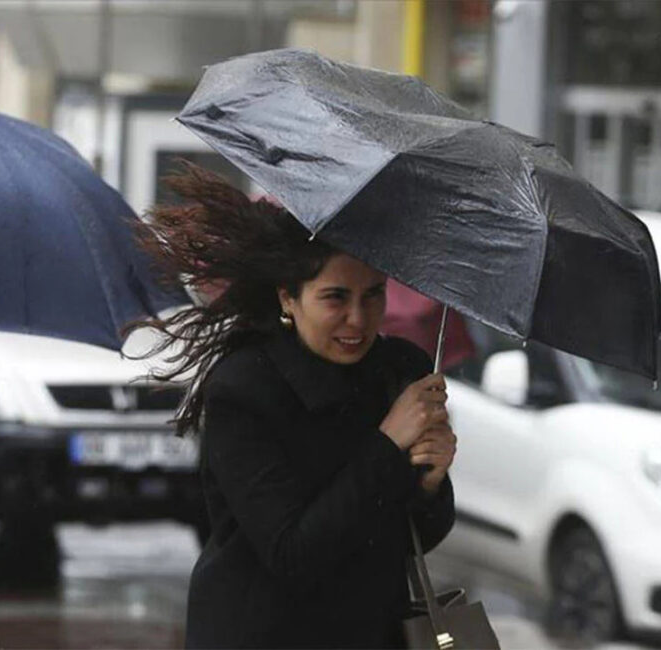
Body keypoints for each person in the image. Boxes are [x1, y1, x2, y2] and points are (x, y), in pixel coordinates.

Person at [131, 164, 457, 649]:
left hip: (370, 631)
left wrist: (430, 482)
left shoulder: (397, 372)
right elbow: (293, 553)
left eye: (373, 295)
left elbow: (407, 539)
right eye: (335, 298)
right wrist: (390, 442)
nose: (357, 318)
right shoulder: (244, 388)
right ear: (289, 297)